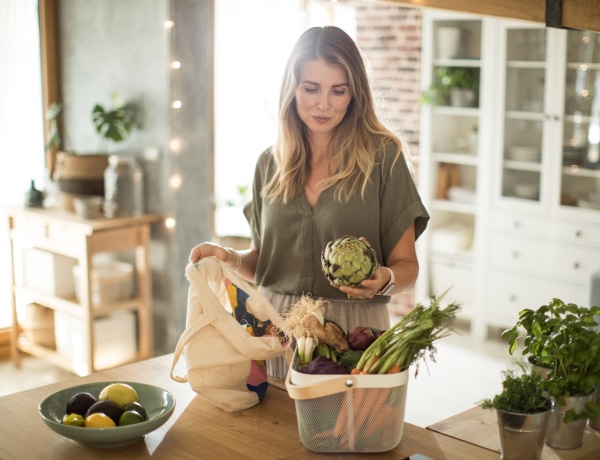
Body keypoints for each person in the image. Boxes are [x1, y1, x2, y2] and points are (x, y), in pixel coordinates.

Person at [189, 25, 429, 379]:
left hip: (355, 332)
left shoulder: (383, 158)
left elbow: (408, 266)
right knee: (274, 430)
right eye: (311, 88)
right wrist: (228, 257)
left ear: (355, 94)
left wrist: (384, 280)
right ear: (292, 89)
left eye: (338, 91)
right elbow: (264, 263)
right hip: (277, 329)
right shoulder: (269, 164)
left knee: (351, 432)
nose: (323, 104)